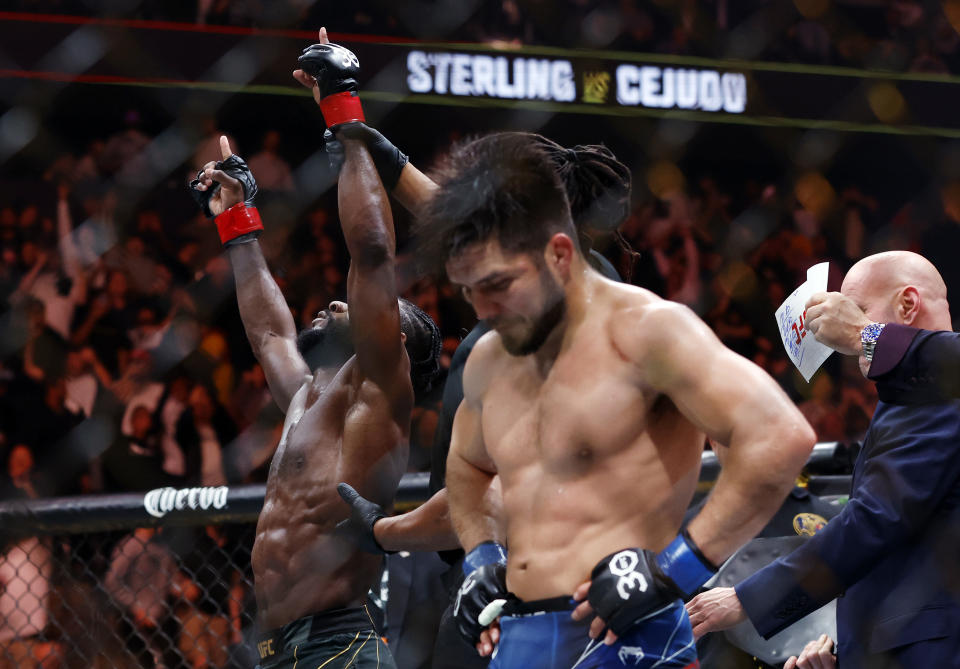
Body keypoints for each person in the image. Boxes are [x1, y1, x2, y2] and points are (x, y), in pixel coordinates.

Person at [398, 131, 815, 668]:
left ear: (559, 253)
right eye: (468, 290)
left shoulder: (648, 333)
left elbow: (781, 437)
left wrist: (673, 571)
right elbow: (467, 466)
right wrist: (482, 556)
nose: (482, 310)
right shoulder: (488, 360)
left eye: (498, 285)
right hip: (517, 638)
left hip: (631, 638)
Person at [188, 89, 441, 668]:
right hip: (279, 648)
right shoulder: (307, 395)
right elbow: (270, 334)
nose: (334, 302)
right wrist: (237, 218)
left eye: (362, 308)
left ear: (392, 340)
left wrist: (344, 118)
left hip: (338, 647)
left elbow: (371, 254)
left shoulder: (375, 392)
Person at [685, 251, 960, 667]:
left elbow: (876, 519)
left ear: (907, 304)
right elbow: (901, 549)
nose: (838, 338)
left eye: (858, 308)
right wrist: (843, 651)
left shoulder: (940, 395)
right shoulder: (904, 401)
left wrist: (748, 598)